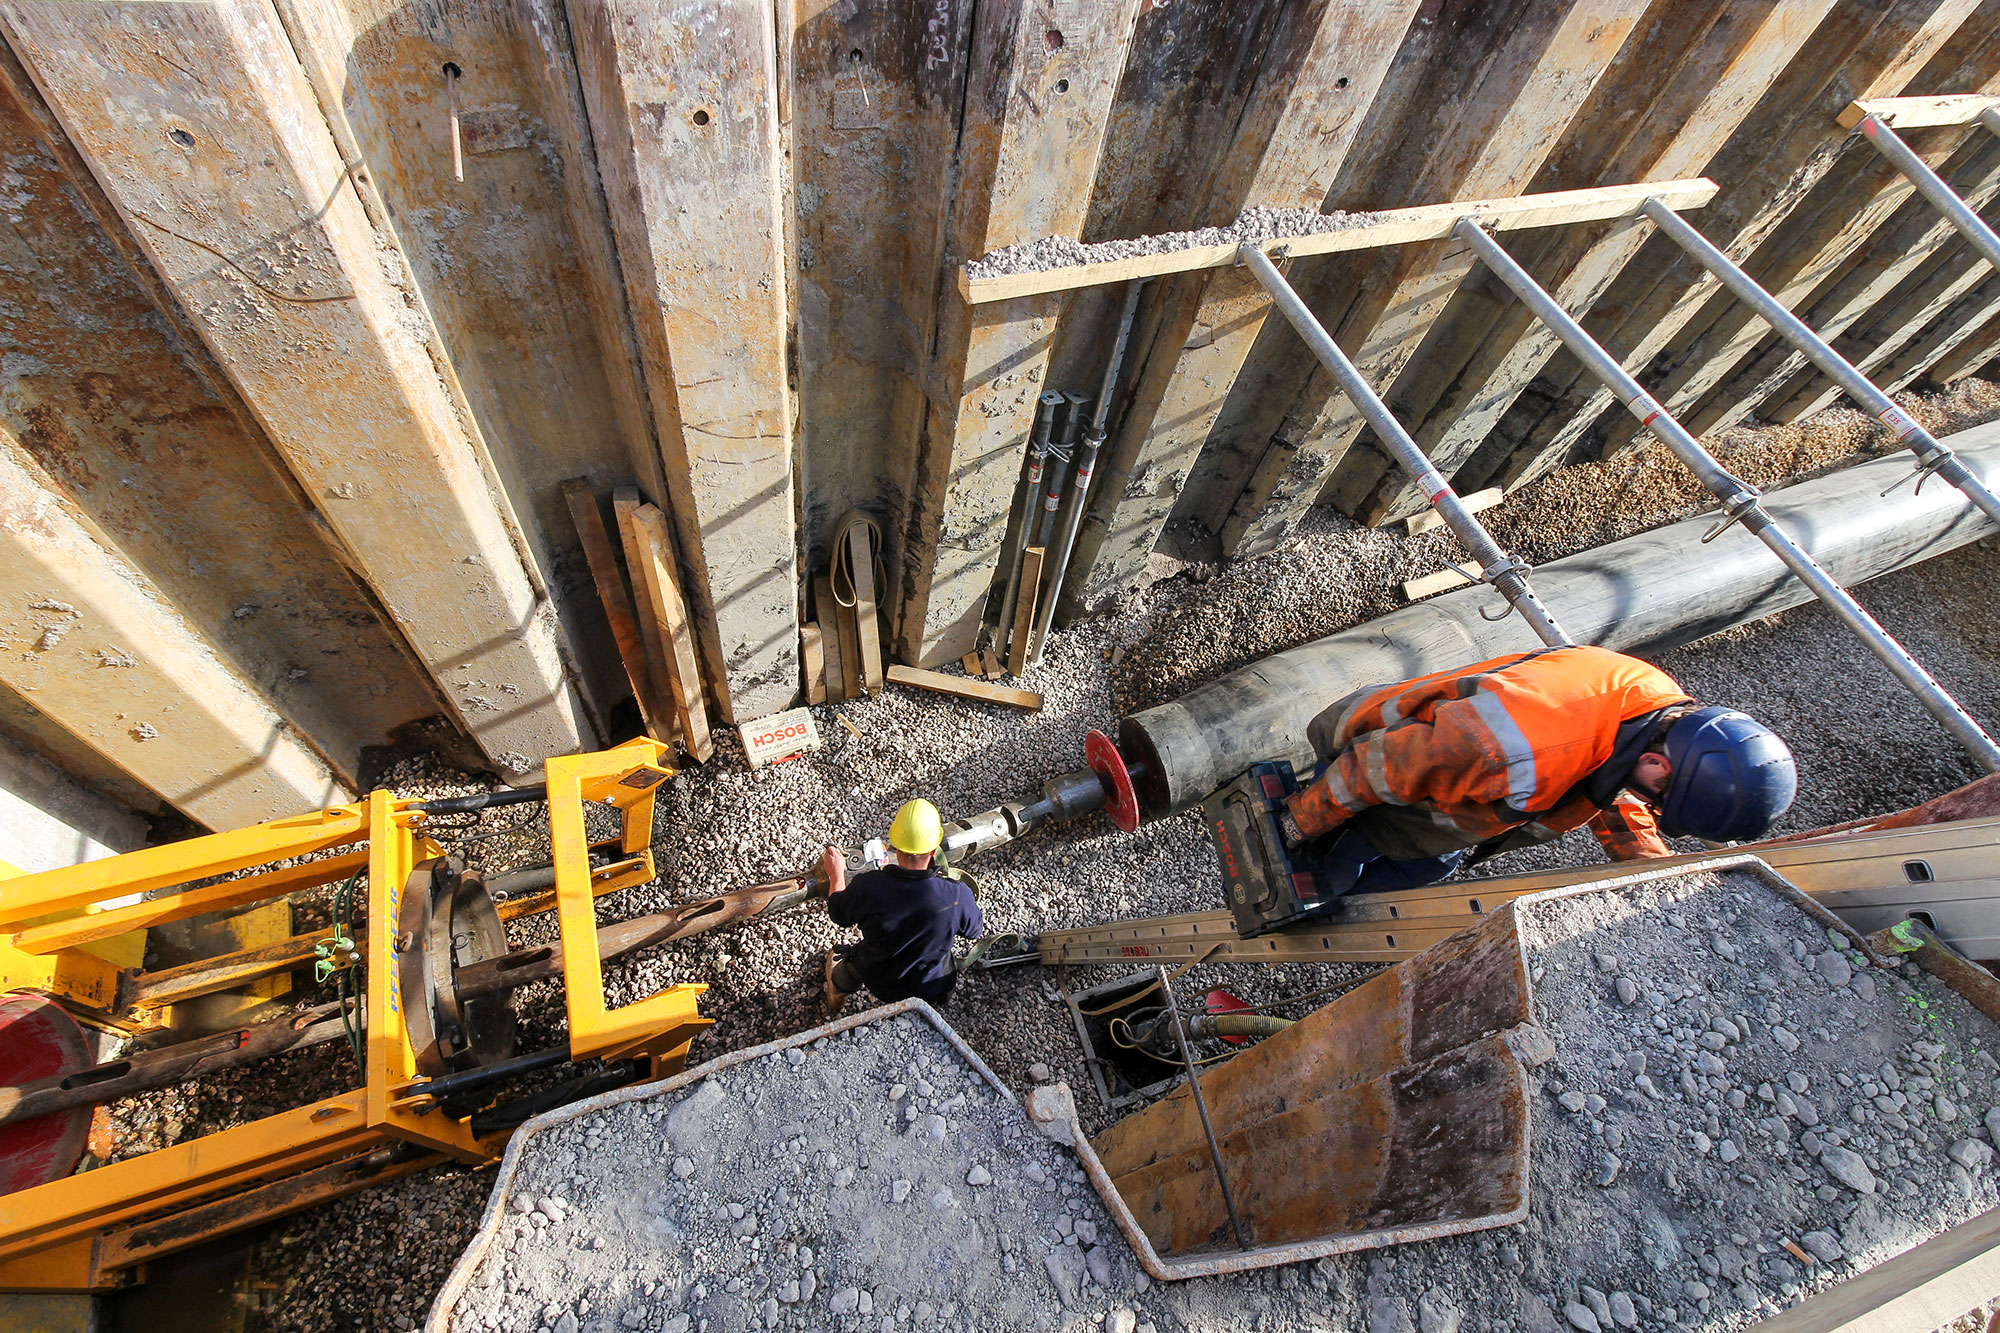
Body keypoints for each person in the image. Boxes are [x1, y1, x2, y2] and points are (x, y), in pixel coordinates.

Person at [1274, 644, 1797, 902]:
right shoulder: (1516, 751)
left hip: (1456, 779)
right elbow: (1374, 768)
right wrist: (1297, 826)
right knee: (1337, 874)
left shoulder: (1651, 702)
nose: (1652, 807)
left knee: (1429, 871)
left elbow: (1608, 775)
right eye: (1659, 800)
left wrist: (1641, 857)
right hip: (1382, 769)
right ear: (1660, 764)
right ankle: (1322, 901)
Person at [819, 798, 983, 1012]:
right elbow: (974, 931)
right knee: (945, 965)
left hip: (879, 981)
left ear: (894, 846)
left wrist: (835, 873)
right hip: (930, 987)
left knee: (853, 964)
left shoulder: (869, 887)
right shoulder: (956, 896)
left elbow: (838, 912)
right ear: (934, 852)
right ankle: (928, 1014)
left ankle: (837, 992)